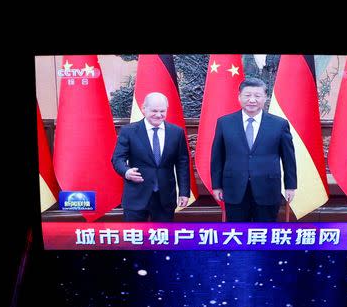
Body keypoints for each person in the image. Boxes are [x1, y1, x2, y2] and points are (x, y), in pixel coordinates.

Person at [210, 77, 296, 222]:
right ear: (239, 97)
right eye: (247, 95)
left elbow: (289, 158)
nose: (252, 100)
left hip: (267, 188)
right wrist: (216, 185)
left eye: (257, 96)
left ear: (265, 98)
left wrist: (290, 186)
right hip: (234, 188)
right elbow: (217, 156)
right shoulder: (225, 123)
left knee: (264, 235)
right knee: (237, 234)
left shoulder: (279, 124)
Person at [112, 92, 190, 222]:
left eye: (162, 111)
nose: (159, 115)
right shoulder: (129, 131)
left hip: (165, 197)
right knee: (135, 239)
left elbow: (182, 163)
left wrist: (183, 192)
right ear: (144, 109)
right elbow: (117, 159)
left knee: (163, 239)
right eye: (154, 111)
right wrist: (126, 172)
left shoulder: (176, 132)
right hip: (136, 196)